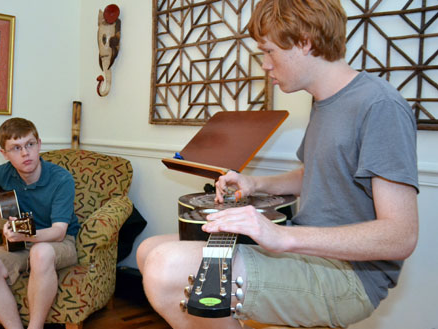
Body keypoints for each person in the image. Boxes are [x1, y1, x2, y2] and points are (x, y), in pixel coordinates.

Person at [137, 0, 419, 328]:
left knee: (166, 267)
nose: (265, 64)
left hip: (348, 276)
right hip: (308, 250)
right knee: (148, 250)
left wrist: (283, 238)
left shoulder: (379, 105)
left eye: (269, 51)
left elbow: (400, 235)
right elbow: (316, 173)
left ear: (304, 42)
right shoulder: (325, 101)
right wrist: (255, 184)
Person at [0, 117, 80, 329]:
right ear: (4, 154)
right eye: (15, 148)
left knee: (40, 252)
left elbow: (59, 232)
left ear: (39, 144)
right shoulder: (3, 172)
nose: (25, 153)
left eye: (29, 145)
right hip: (20, 242)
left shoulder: (61, 179)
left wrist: (25, 235)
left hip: (59, 242)